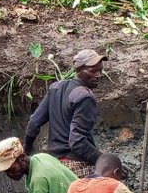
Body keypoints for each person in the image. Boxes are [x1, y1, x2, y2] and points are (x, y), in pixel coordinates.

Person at [23, 49, 108, 178]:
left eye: (100, 71)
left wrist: (27, 149)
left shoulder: (55, 88)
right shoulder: (85, 96)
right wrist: (104, 161)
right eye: (93, 71)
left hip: (55, 166)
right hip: (77, 166)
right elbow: (77, 142)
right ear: (79, 70)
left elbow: (34, 123)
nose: (98, 75)